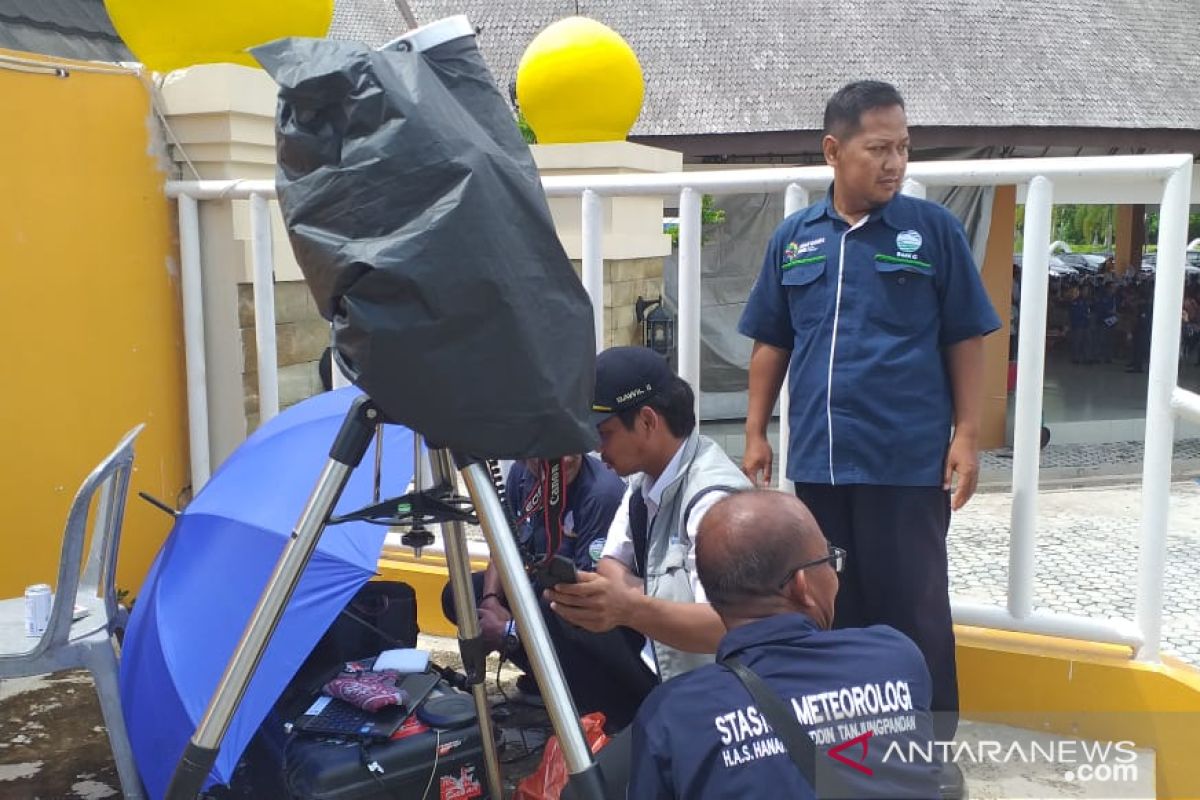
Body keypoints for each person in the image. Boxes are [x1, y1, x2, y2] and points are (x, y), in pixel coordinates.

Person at [737, 79, 1000, 778]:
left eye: (903, 148)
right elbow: (771, 341)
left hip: (903, 463)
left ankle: (931, 762)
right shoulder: (795, 239)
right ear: (834, 151)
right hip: (819, 465)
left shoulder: (931, 231)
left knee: (913, 612)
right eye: (878, 148)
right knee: (830, 612)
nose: (894, 163)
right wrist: (757, 431)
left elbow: (966, 337)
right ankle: (851, 751)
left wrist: (967, 434)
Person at [629, 490, 940, 799]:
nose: (835, 576)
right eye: (829, 560)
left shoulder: (673, 714)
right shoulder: (895, 657)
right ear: (801, 585)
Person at [546, 346, 752, 714]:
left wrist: (631, 606)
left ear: (646, 421)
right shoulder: (644, 481)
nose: (596, 447)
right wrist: (658, 602)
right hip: (664, 667)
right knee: (555, 608)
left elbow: (727, 625)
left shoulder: (714, 501)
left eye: (604, 433)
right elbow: (609, 565)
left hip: (717, 701)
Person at [438, 453, 635, 723]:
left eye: (570, 451)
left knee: (551, 606)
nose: (563, 462)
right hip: (535, 587)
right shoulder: (521, 476)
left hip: (579, 609)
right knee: (459, 594)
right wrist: (491, 600)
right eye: (548, 457)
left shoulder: (601, 492)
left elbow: (588, 595)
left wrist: (511, 631)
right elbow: (504, 542)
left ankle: (580, 693)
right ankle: (540, 678)